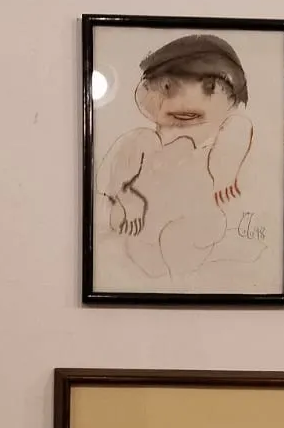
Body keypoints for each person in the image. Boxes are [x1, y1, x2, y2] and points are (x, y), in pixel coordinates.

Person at [96, 33, 254, 280]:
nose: (185, 101)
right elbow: (108, 180)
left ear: (232, 96)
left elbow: (240, 127)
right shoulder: (142, 141)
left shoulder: (221, 140)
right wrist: (127, 197)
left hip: (189, 240)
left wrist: (225, 169)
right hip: (140, 234)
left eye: (209, 87)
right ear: (145, 89)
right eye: (168, 87)